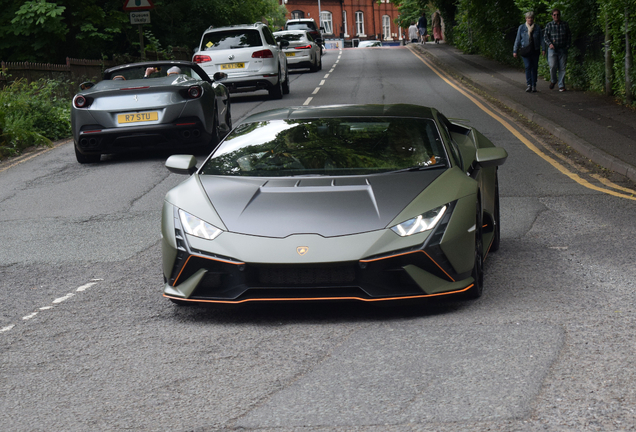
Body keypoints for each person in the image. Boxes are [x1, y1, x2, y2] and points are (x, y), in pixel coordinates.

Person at [513, 11, 543, 93]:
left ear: (533, 19)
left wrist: (543, 48)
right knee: (528, 66)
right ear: (526, 19)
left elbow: (541, 39)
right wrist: (515, 50)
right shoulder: (522, 28)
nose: (530, 19)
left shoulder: (537, 28)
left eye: (531, 18)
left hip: (535, 50)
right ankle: (529, 84)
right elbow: (518, 39)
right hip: (525, 50)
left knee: (534, 67)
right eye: (528, 18)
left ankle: (534, 85)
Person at [543, 8, 571, 92]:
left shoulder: (565, 24)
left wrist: (567, 46)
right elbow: (545, 36)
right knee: (552, 66)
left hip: (562, 48)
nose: (556, 16)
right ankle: (553, 80)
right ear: (552, 16)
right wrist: (550, 44)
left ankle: (561, 85)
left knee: (562, 67)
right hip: (553, 49)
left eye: (557, 14)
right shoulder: (549, 25)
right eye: (554, 15)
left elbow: (569, 36)